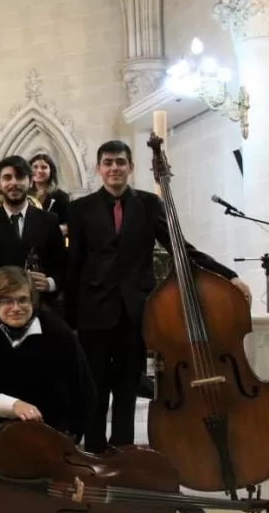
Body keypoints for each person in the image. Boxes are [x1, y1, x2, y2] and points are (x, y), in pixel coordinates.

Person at [66, 140, 252, 455]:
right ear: (98, 168)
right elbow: (75, 266)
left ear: (130, 167)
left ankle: (123, 454)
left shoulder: (149, 204)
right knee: (95, 388)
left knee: (127, 389)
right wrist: (71, 318)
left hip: (136, 313)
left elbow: (181, 249)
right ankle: (95, 452)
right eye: (108, 162)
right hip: (93, 314)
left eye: (120, 162)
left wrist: (227, 274)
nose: (114, 168)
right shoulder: (80, 209)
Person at [0, 266, 95, 513]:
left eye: (22, 300)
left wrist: (70, 437)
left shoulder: (58, 332)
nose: (16, 308)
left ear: (33, 301)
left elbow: (84, 390)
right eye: (6, 301)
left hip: (48, 421)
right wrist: (12, 405)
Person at [0, 156, 67, 312]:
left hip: (39, 308)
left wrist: (50, 283)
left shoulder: (49, 220)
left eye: (20, 177)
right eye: (7, 178)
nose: (13, 183)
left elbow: (62, 266)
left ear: (30, 181)